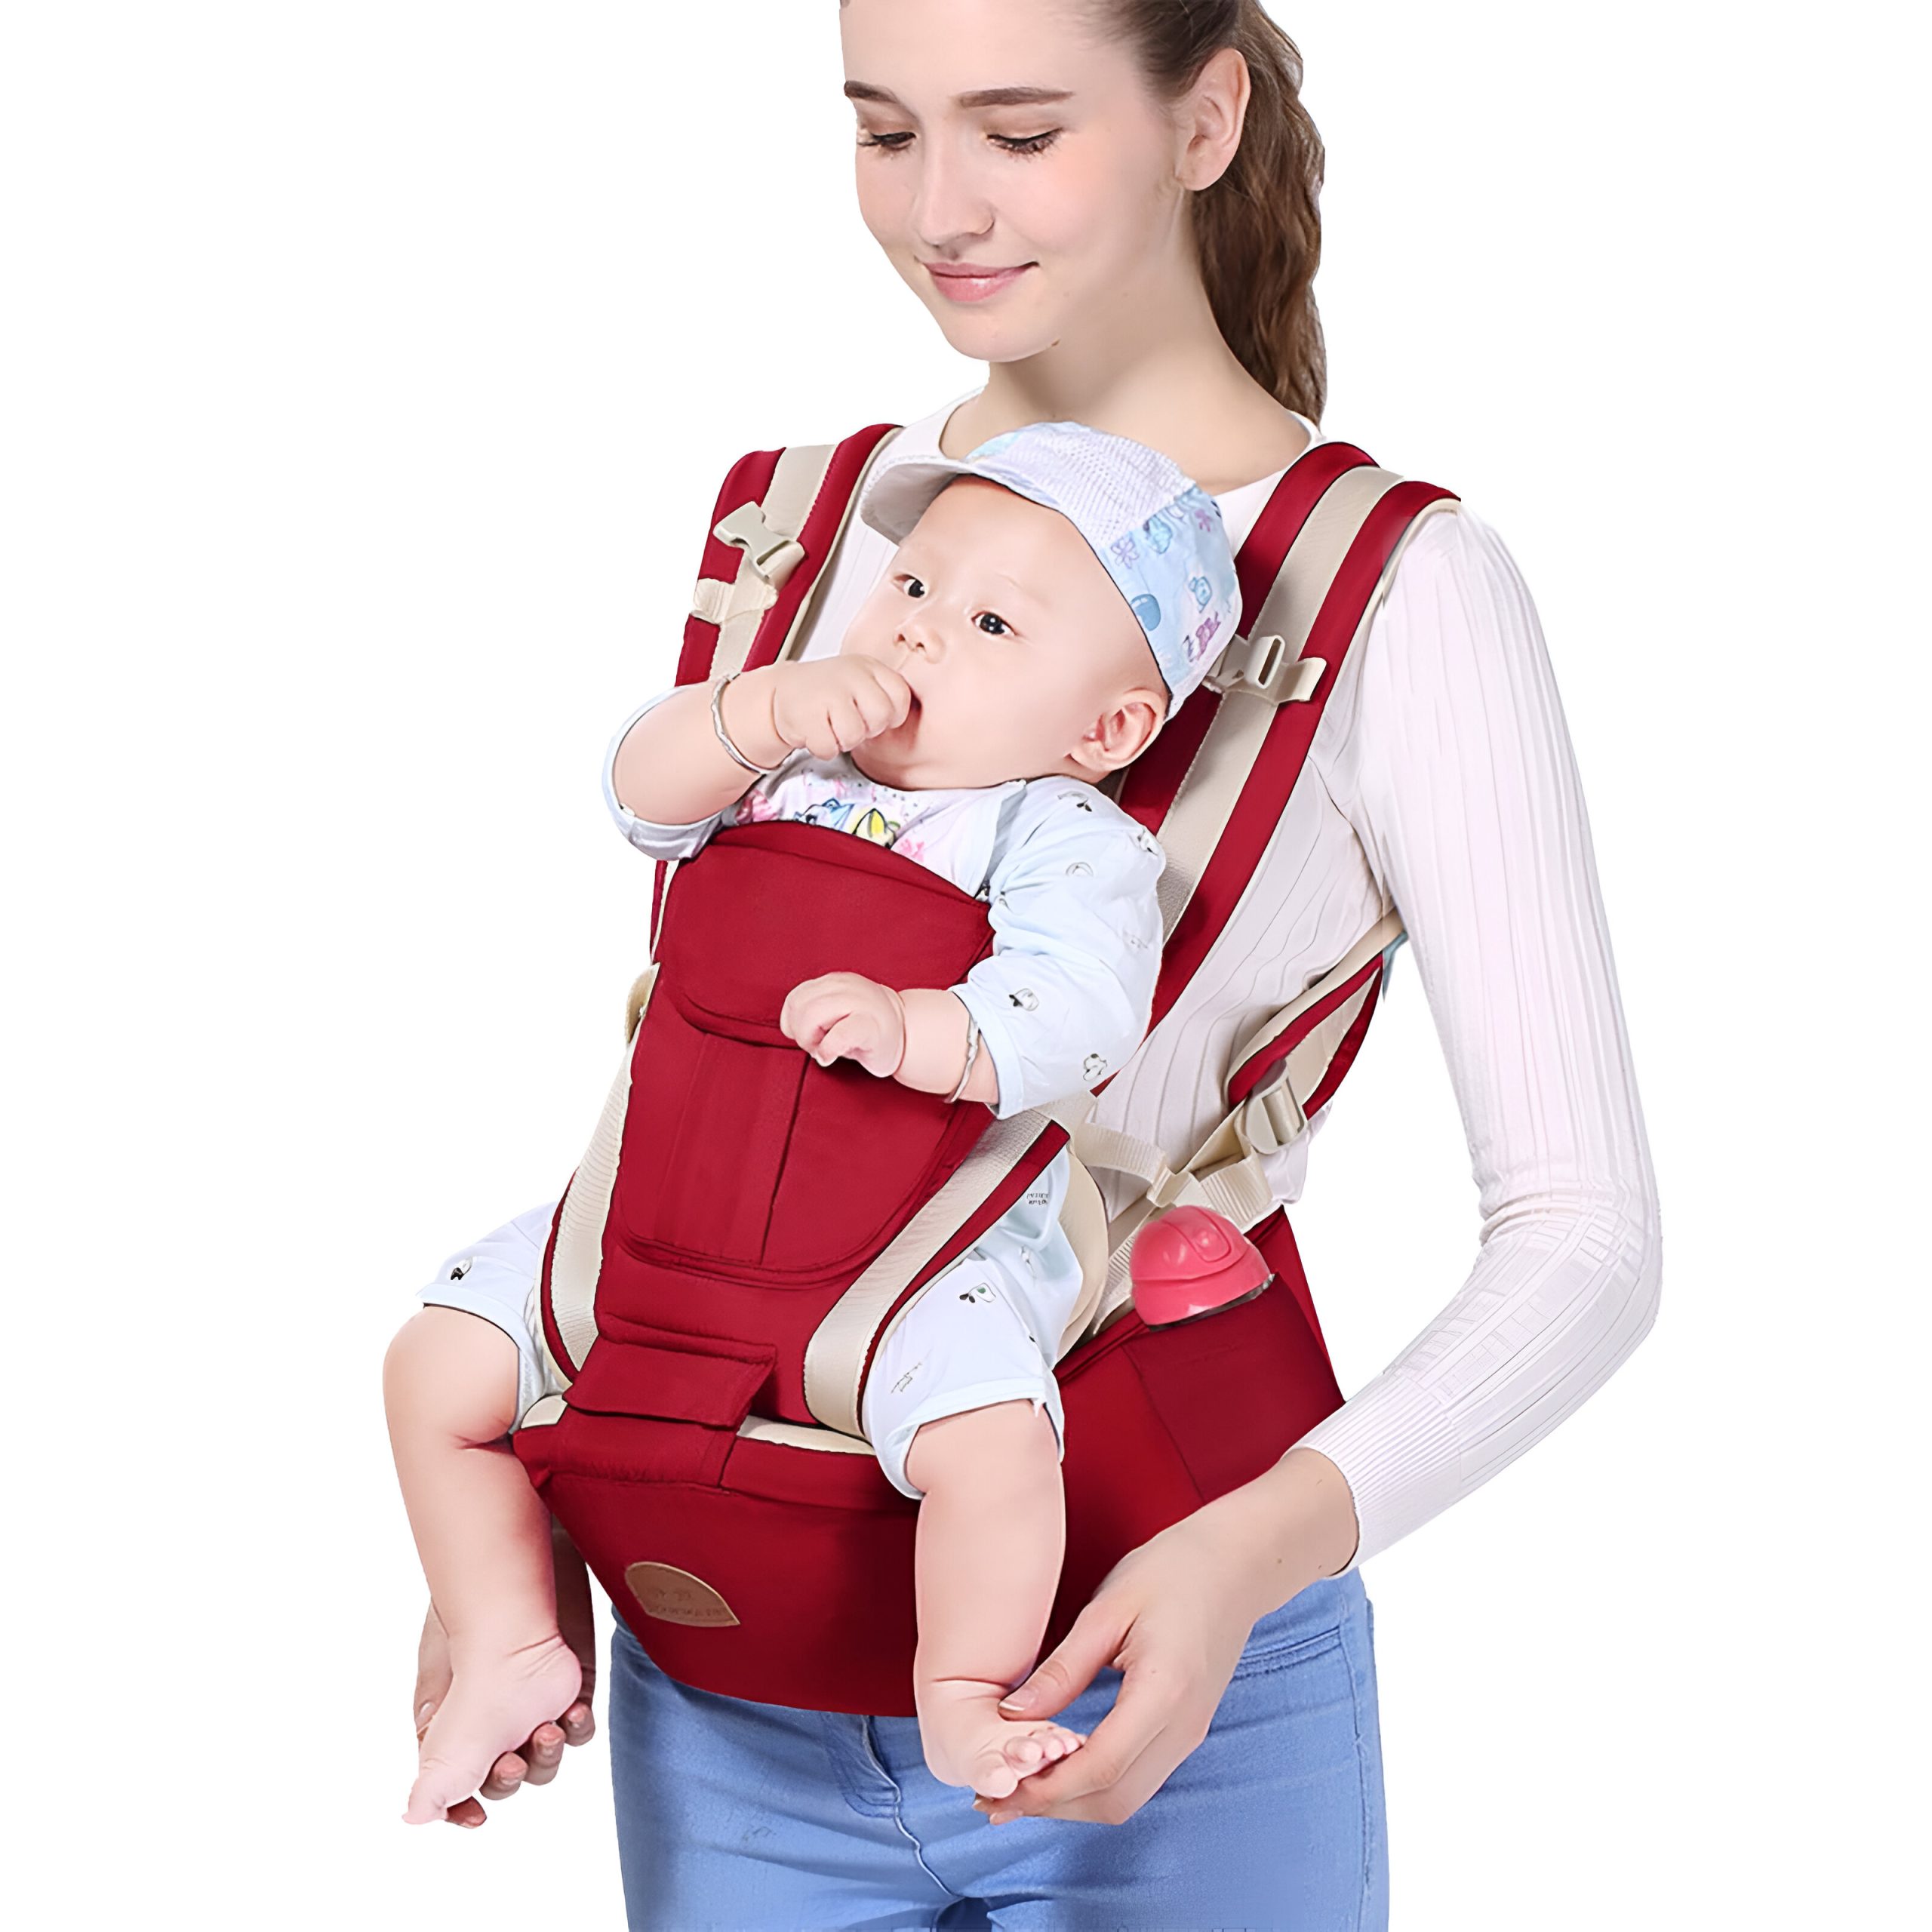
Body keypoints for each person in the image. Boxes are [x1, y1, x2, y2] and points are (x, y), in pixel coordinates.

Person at [397, 4, 1661, 1924]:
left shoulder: (1396, 586)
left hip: (1154, 1656)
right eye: (882, 129)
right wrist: (520, 1527)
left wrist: (1248, 1555)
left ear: (1203, 118)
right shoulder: (812, 523)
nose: (938, 212)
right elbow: (719, 1077)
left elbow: (1584, 1231)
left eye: (1016, 130)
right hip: (723, 1663)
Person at [386, 418, 1245, 1820]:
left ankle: (962, 1690)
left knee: (987, 1441)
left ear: (1104, 732)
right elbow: (637, 793)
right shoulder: (787, 771)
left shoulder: (1053, 833)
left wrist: (926, 1031)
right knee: (435, 1366)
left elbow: (1088, 1007)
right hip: (670, 1214)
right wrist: (759, 714)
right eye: (911, 585)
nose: (918, 631)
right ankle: (507, 1635)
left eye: (989, 624)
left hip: (916, 1246)